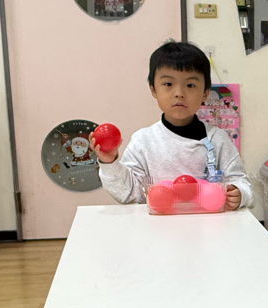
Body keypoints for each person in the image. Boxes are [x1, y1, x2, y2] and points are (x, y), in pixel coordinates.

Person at [92, 41, 253, 210]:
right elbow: (128, 192)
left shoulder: (217, 139)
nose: (179, 93)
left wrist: (239, 194)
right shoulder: (143, 141)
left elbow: (240, 181)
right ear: (153, 89)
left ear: (205, 92)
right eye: (168, 84)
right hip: (157, 223)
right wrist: (109, 162)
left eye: (190, 85)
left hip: (207, 223)